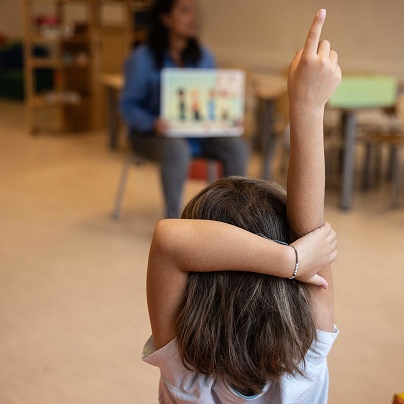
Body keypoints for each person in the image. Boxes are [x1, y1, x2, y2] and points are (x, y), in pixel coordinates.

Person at [141, 9, 342, 403]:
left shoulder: (185, 376)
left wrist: (291, 260)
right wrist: (307, 106)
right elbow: (307, 230)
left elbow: (170, 239)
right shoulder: (308, 365)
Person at [119, 0, 249, 218]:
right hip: (150, 136)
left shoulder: (204, 56)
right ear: (165, 19)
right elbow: (127, 106)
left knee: (237, 147)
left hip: (198, 134)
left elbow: (212, 101)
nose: (193, 17)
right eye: (185, 11)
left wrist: (229, 117)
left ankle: (234, 219)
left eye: (195, 11)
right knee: (177, 149)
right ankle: (173, 222)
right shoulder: (141, 59)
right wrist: (152, 123)